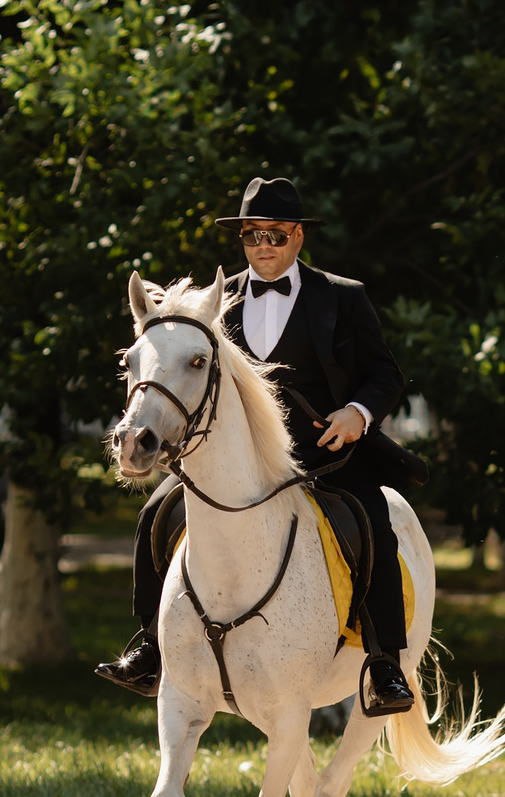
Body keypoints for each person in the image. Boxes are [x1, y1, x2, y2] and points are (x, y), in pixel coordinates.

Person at [96, 176, 419, 715]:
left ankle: (385, 662)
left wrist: (357, 414)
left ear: (297, 235)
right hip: (238, 458)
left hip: (324, 453)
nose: (262, 245)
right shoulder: (214, 303)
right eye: (251, 235)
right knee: (155, 511)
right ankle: (151, 646)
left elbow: (385, 374)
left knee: (372, 521)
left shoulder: (343, 295)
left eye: (273, 234)